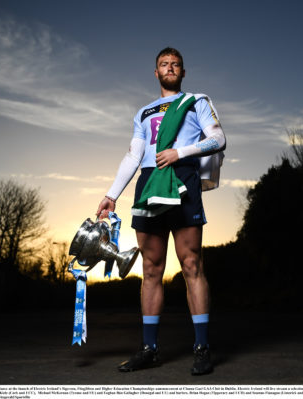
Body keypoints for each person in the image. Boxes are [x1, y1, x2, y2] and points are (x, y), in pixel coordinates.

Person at [95, 47, 226, 376]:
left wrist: (180, 152)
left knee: (191, 263)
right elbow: (133, 155)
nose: (170, 68)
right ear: (156, 72)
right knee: (151, 269)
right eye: (164, 64)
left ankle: (201, 347)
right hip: (149, 184)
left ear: (183, 72)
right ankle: (149, 349)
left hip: (182, 180)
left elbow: (218, 138)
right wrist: (111, 195)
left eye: (176, 65)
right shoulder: (142, 112)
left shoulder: (196, 102)